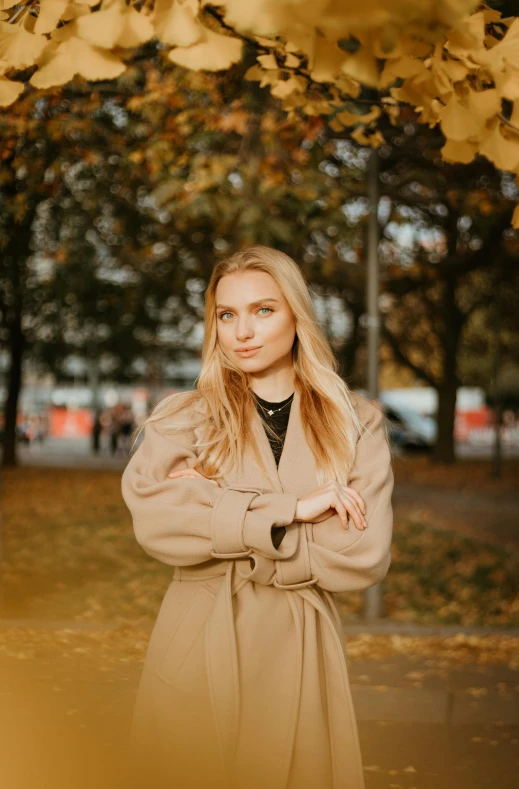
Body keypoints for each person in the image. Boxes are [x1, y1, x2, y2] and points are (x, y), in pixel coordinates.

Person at [121, 245, 394, 789]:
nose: (243, 330)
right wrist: (292, 511)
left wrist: (220, 509)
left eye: (264, 310)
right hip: (197, 640)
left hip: (299, 650)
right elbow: (156, 521)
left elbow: (361, 554)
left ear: (297, 315)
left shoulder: (356, 422)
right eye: (228, 314)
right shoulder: (182, 418)